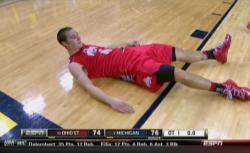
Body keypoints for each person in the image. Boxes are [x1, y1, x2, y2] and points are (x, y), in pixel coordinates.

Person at [57, 27, 250, 113]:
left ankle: (215, 54)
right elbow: (89, 87)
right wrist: (111, 101)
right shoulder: (74, 64)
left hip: (135, 52)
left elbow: (104, 50)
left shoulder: (84, 47)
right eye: (73, 37)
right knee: (178, 74)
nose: (78, 37)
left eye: (77, 34)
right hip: (133, 66)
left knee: (177, 52)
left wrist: (126, 43)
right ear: (65, 44)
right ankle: (225, 89)